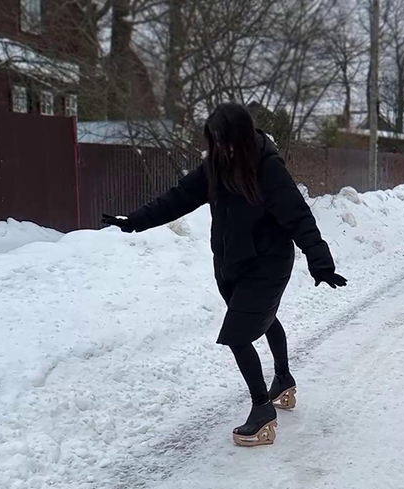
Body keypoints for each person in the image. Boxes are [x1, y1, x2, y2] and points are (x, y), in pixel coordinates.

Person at [103, 103, 347, 447]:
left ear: (244, 137)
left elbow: (298, 216)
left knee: (237, 334)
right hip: (232, 264)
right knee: (262, 320)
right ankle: (284, 379)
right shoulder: (216, 166)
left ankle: (263, 410)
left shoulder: (268, 167)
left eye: (228, 140)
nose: (223, 148)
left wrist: (321, 261)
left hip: (270, 264)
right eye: (216, 141)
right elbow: (179, 197)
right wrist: (136, 221)